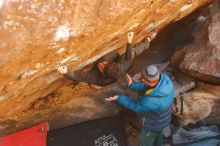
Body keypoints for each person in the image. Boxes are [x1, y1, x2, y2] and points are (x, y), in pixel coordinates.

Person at [106, 65, 174, 146]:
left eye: (143, 78)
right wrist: (132, 85)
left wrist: (120, 98)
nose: (141, 78)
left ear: (149, 81)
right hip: (164, 119)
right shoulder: (165, 80)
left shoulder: (150, 101)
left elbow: (136, 106)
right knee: (159, 137)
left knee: (146, 141)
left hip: (153, 125)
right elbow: (147, 85)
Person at [58, 32, 157, 86]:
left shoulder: (96, 77)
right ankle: (148, 40)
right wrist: (129, 41)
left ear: (102, 72)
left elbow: (79, 77)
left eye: (102, 66)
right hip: (115, 67)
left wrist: (66, 73)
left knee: (104, 57)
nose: (102, 64)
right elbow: (128, 58)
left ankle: (99, 65)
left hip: (104, 78)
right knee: (130, 53)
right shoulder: (119, 67)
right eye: (104, 63)